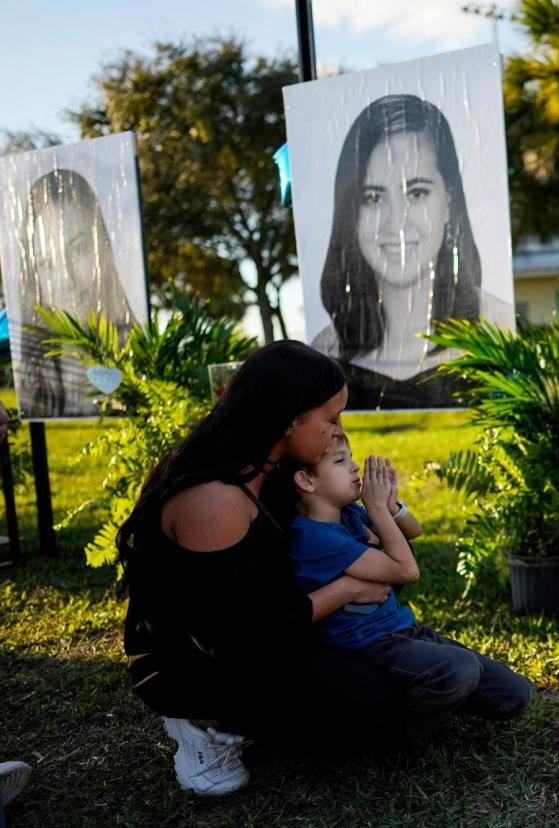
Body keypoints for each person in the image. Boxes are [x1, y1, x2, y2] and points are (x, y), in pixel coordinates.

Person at [119, 341, 405, 795]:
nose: (338, 434)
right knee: (367, 705)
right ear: (289, 417)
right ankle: (201, 723)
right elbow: (247, 636)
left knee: (392, 682)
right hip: (198, 660)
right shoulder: (213, 497)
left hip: (267, 627)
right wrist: (348, 588)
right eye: (330, 419)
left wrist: (373, 524)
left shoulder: (272, 467)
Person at [269, 436, 532, 737]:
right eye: (341, 461)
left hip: (405, 632)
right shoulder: (314, 538)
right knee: (460, 669)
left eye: (351, 457)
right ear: (305, 480)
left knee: (514, 694)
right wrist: (377, 510)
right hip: (371, 646)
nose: (355, 466)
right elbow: (407, 571)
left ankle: (432, 689)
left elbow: (414, 531)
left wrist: (390, 506)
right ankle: (395, 733)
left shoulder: (349, 514)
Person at [312, 94, 507, 409]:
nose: (396, 223)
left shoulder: (499, 329)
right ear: (350, 213)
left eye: (416, 192)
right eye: (373, 197)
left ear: (449, 201)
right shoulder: (324, 352)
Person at [15, 168, 135, 417]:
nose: (67, 278)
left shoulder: (140, 355)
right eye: (47, 262)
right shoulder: (31, 373)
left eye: (79, 248)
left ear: (102, 250)